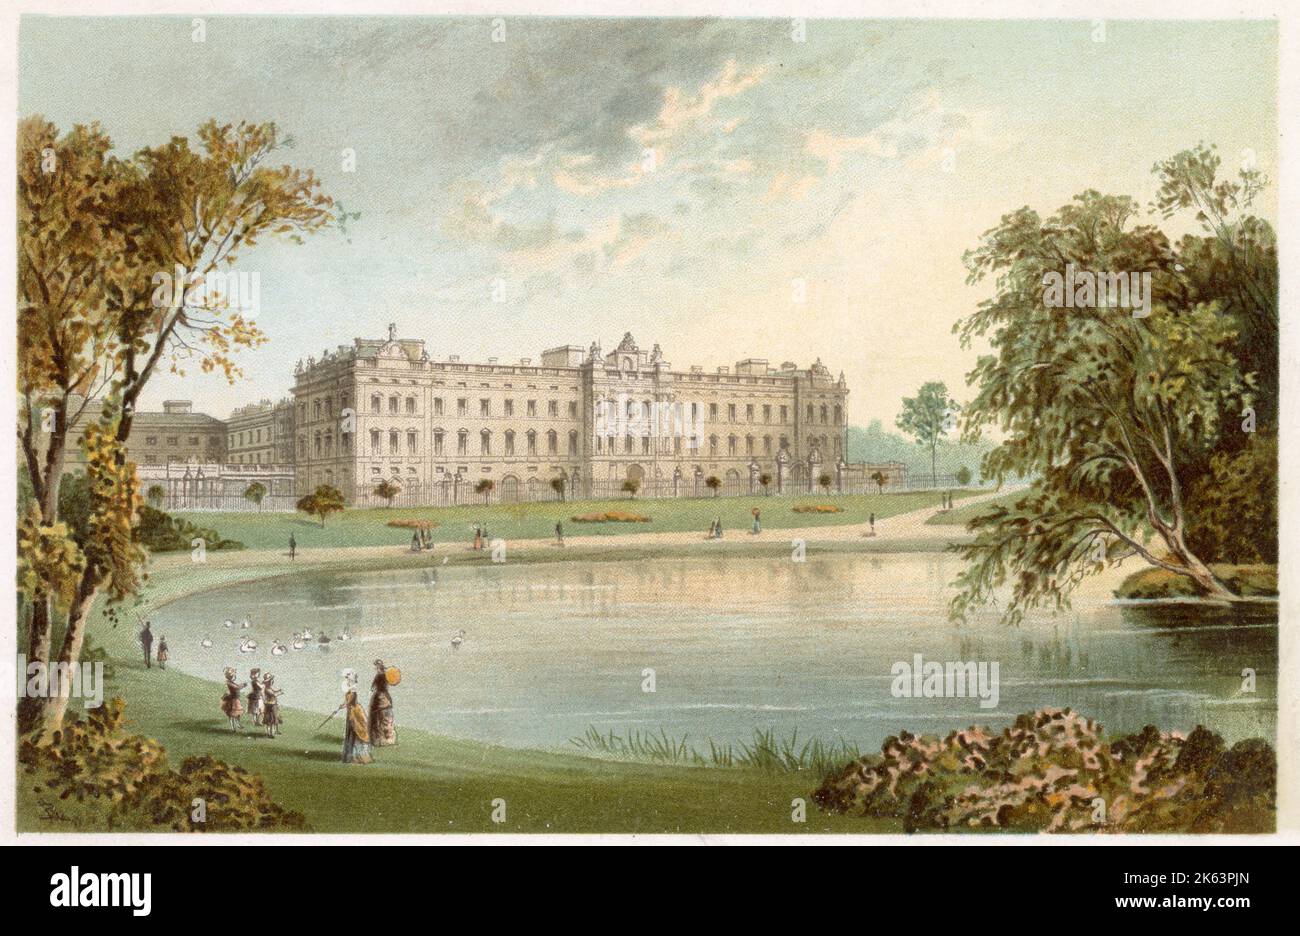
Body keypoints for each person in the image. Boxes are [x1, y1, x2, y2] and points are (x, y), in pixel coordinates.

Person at [368, 659, 397, 747]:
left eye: (376, 666)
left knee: (377, 718)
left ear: (377, 666)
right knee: (386, 719)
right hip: (386, 699)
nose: (375, 668)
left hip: (379, 698)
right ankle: (388, 739)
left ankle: (379, 739)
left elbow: (372, 687)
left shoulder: (379, 676)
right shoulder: (386, 675)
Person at [342, 690, 373, 764]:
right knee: (353, 744)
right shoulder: (351, 708)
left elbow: (362, 719)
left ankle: (358, 758)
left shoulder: (357, 707)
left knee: (358, 744)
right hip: (354, 728)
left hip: (359, 729)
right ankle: (352, 758)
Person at [261, 673, 282, 738]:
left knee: (273, 719)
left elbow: (274, 692)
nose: (271, 682)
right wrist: (280, 693)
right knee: (270, 720)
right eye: (270, 681)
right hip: (270, 706)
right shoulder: (267, 689)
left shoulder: (269, 688)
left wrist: (278, 690)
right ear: (267, 682)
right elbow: (274, 694)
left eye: (271, 680)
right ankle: (270, 734)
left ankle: (272, 732)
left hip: (273, 705)